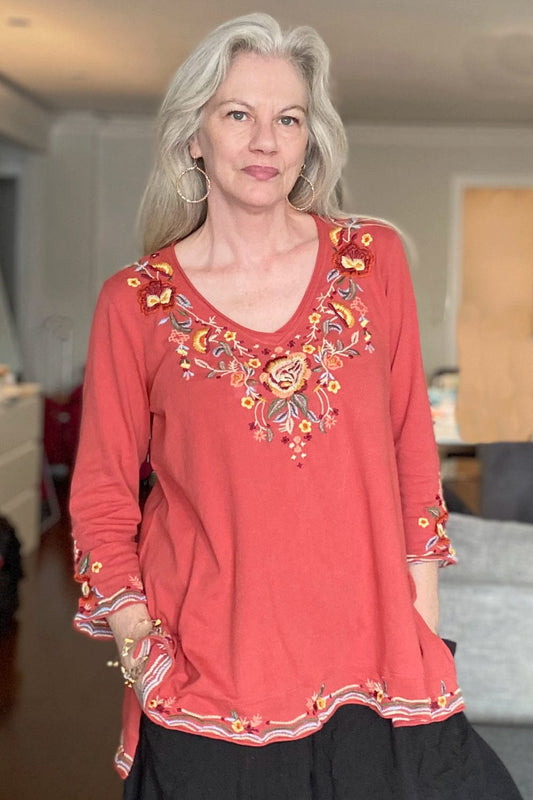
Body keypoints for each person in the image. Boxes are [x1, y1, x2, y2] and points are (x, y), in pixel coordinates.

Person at [69, 13, 523, 800]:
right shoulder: (135, 303)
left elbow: (412, 454)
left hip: (374, 662)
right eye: (237, 114)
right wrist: (143, 653)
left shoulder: (370, 260)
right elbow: (103, 497)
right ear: (193, 137)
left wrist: (416, 629)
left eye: (288, 118)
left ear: (310, 139)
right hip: (209, 678)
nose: (265, 140)